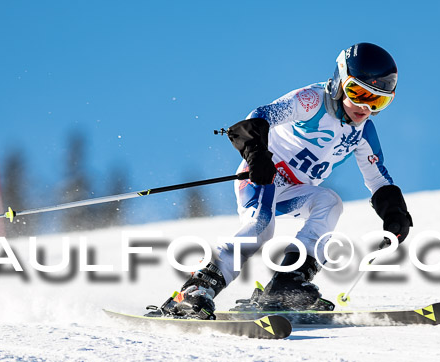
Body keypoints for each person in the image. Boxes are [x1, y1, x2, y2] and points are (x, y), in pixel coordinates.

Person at [161, 42, 413, 319]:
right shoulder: (312, 101)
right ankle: (195, 291)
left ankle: (286, 285)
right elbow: (258, 117)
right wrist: (258, 157)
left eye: (378, 101)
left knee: (330, 203)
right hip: (263, 175)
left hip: (295, 190)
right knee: (260, 227)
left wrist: (395, 213)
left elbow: (379, 179)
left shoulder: (362, 132)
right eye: (358, 93)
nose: (365, 107)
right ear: (340, 81)